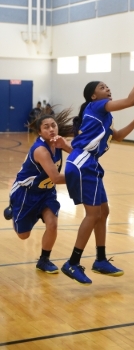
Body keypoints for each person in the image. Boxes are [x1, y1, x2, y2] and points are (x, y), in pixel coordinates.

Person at [61, 54, 134, 285]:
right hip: (83, 162)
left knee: (104, 212)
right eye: (103, 87)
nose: (107, 88)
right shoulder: (97, 106)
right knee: (93, 214)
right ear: (94, 96)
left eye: (107, 86)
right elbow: (131, 99)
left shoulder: (105, 116)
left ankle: (100, 259)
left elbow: (118, 136)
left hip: (90, 164)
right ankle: (72, 262)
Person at [4, 111, 73, 274]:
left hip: (47, 192)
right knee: (23, 236)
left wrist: (65, 146)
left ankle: (44, 260)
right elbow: (56, 178)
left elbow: (78, 155)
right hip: (26, 192)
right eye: (46, 127)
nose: (51, 129)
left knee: (53, 224)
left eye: (53, 125)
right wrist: (83, 178)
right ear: (40, 132)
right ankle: (13, 208)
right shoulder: (40, 150)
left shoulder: (59, 142)